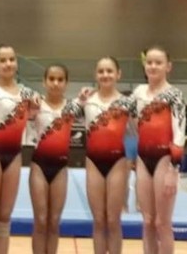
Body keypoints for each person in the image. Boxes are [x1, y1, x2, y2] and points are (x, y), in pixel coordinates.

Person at [0, 44, 39, 254]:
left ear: (16, 62)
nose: (8, 64)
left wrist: (36, 108)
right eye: (2, 60)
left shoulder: (26, 93)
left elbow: (40, 116)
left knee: (4, 218)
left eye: (11, 59)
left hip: (15, 156)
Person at [80, 57, 136, 254]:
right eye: (101, 71)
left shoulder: (127, 103)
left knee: (113, 220)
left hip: (117, 162)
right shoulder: (86, 101)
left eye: (110, 71)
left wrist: (133, 160)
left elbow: (135, 134)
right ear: (96, 75)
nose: (105, 75)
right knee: (98, 220)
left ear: (118, 74)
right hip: (93, 162)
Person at [132, 47, 186, 254]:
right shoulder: (138, 93)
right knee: (147, 221)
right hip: (142, 159)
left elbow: (179, 133)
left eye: (158, 62)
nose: (153, 66)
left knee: (162, 223)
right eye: (149, 62)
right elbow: (123, 115)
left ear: (168, 67)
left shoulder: (174, 95)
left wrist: (174, 170)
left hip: (164, 159)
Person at [30, 65, 80, 254]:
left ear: (66, 83)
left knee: (53, 222)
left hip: (60, 168)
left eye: (60, 79)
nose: (55, 83)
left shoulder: (72, 107)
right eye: (51, 79)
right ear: (44, 82)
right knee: (41, 220)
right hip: (39, 166)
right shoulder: (36, 105)